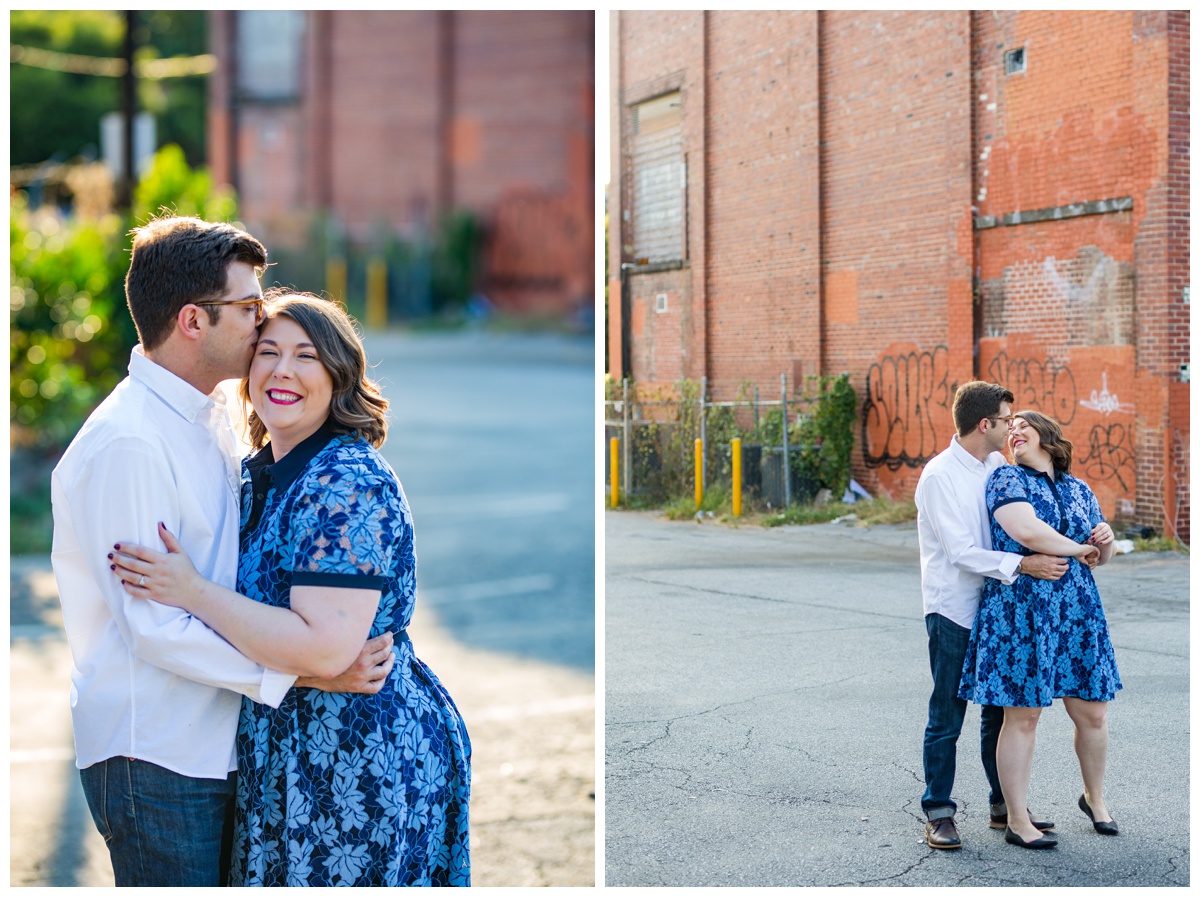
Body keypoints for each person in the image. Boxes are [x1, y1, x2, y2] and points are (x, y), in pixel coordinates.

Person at [51, 217, 394, 887]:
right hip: (155, 751)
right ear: (192, 321)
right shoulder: (132, 443)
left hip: (213, 742)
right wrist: (302, 673)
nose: (261, 320)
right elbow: (154, 628)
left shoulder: (208, 415)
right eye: (247, 307)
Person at [110, 293, 472, 886]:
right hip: (289, 756)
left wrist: (192, 591)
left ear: (338, 375)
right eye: (268, 352)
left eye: (307, 356)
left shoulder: (345, 483)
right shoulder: (260, 475)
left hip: (358, 764)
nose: (283, 371)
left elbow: (327, 650)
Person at [913, 381, 1068, 850]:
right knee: (948, 713)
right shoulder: (939, 476)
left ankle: (1005, 807)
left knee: (998, 712)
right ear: (986, 424)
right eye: (1006, 420)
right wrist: (1023, 564)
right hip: (955, 609)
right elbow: (960, 553)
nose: (1011, 427)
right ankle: (938, 810)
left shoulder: (997, 465)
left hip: (998, 608)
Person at [958, 410, 1120, 849]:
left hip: (1077, 611)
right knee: (1024, 716)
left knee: (1093, 712)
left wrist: (1106, 544)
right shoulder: (1007, 481)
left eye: (1022, 426)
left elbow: (1099, 560)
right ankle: (1015, 819)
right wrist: (1085, 547)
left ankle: (1095, 799)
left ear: (1047, 436)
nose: (1014, 433)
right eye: (1009, 429)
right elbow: (1027, 531)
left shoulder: (1078, 488)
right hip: (1022, 610)